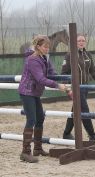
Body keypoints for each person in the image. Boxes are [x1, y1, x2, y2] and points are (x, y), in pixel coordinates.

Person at [18, 35, 67, 163]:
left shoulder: (44, 58)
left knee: (40, 118)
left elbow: (52, 73)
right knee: (32, 119)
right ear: (38, 47)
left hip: (35, 92)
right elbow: (41, 79)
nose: (47, 49)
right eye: (45, 46)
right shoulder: (32, 60)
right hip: (27, 92)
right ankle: (25, 152)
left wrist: (62, 80)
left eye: (48, 47)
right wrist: (57, 85)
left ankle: (37, 148)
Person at [61, 34, 95, 141]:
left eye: (83, 40)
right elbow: (63, 74)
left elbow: (93, 70)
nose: (81, 42)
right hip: (75, 89)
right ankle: (92, 135)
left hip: (85, 88)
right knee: (84, 110)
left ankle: (66, 133)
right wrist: (68, 89)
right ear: (75, 42)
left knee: (76, 109)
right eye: (79, 40)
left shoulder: (88, 55)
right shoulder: (69, 55)